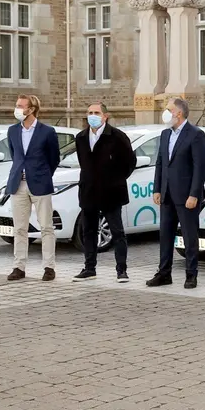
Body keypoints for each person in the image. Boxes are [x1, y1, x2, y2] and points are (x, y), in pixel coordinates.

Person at [72, 102, 137, 283]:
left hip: (111, 192)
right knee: (89, 231)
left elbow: (130, 162)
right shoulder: (81, 137)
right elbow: (84, 162)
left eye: (97, 112)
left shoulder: (117, 137)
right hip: (88, 191)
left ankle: (121, 270)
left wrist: (116, 180)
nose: (92, 116)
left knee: (117, 232)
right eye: (90, 112)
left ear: (105, 116)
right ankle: (89, 268)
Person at [147, 98, 205, 290]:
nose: (165, 113)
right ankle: (164, 273)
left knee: (190, 236)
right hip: (167, 194)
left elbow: (200, 168)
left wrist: (194, 194)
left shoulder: (196, 134)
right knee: (165, 235)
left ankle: (191, 274)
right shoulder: (165, 134)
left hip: (186, 196)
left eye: (168, 109)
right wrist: (157, 188)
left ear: (178, 113)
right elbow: (160, 163)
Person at [5, 94, 61, 281]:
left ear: (32, 109)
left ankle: (49, 267)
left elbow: (54, 158)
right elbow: (15, 156)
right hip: (18, 184)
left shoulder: (47, 132)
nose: (17, 109)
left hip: (40, 184)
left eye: (21, 106)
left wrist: (42, 175)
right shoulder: (12, 131)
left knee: (46, 227)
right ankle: (18, 267)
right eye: (17, 105)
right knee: (19, 228)